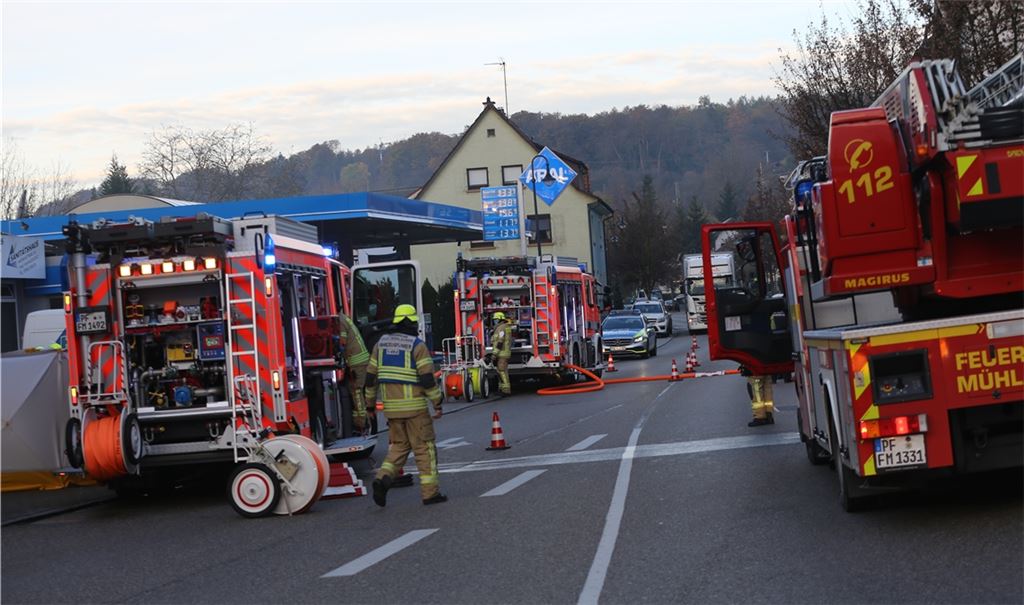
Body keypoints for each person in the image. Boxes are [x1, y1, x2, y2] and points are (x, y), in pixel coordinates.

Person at [365, 304, 447, 506]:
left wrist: (369, 406)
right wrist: (437, 402)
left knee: (398, 448)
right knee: (424, 449)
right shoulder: (417, 346)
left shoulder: (380, 345)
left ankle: (382, 478)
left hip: (392, 410)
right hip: (416, 409)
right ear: (412, 322)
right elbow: (427, 379)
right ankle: (430, 493)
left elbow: (370, 378)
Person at [337, 311, 371, 434]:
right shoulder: (343, 318)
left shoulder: (339, 321)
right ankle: (362, 421)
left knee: (356, 392)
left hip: (356, 362)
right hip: (358, 361)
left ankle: (361, 424)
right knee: (358, 392)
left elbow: (341, 343)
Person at [490, 311, 513, 397]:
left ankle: (506, 390)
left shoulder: (501, 328)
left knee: (502, 370)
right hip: (503, 353)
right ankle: (502, 388)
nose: (494, 321)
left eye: (496, 319)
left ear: (500, 319)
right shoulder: (502, 327)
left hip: (502, 353)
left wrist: (494, 354)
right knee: (500, 371)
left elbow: (500, 342)